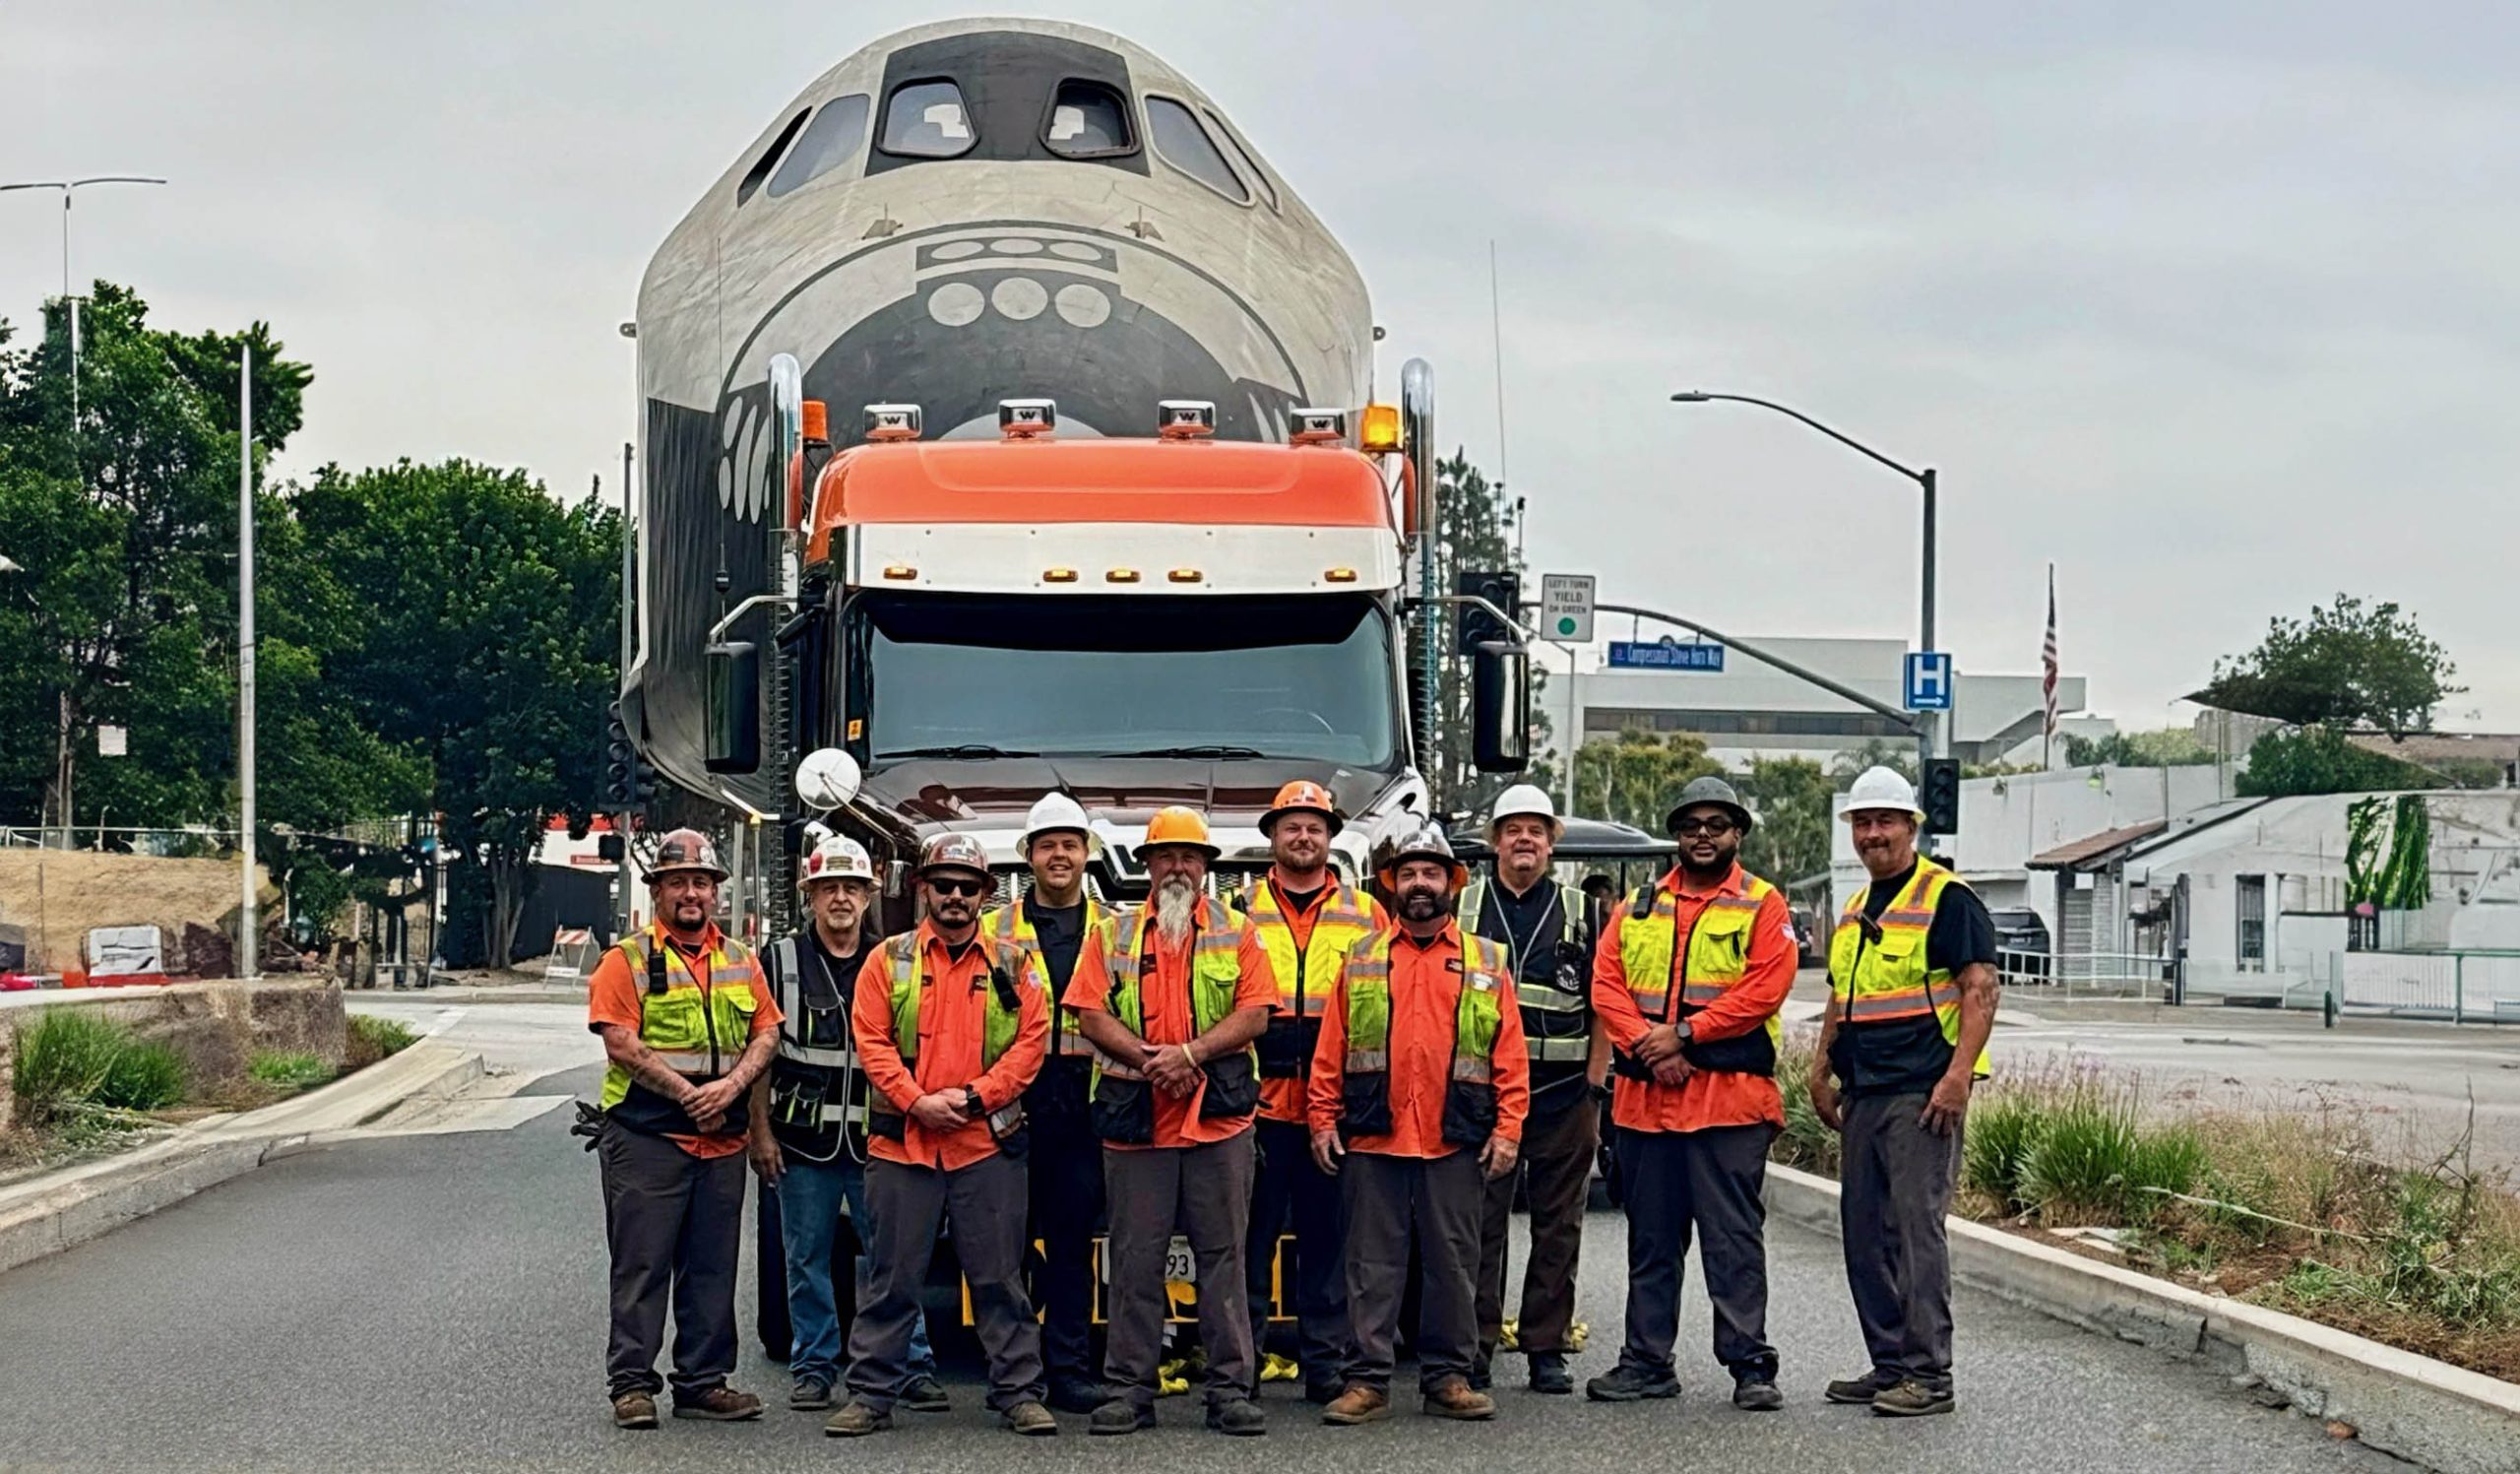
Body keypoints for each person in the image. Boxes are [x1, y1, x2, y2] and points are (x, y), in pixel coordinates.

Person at [824, 834, 1058, 1439]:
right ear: (923, 889)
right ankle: (872, 1394)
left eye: (967, 886)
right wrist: (918, 1102)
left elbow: (1033, 1043)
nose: (955, 897)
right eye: (943, 885)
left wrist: (977, 1098)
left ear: (985, 894)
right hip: (904, 1146)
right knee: (890, 1279)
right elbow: (871, 1043)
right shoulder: (888, 960)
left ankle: (1018, 1393)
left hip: (985, 1148)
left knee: (1001, 1279)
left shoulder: (1014, 964)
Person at [1585, 776, 1796, 1411]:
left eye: (1716, 825)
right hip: (1648, 1109)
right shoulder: (1638, 906)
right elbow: (1606, 983)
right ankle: (1647, 1361)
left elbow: (1764, 989)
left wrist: (1684, 1036)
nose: (1703, 835)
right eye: (1691, 825)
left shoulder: (1764, 905)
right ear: (1675, 834)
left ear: (1737, 834)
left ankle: (1751, 1367)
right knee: (1651, 1243)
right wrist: (1652, 1046)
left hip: (1728, 1107)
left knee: (1732, 1242)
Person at [1309, 824, 1528, 1426]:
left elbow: (1508, 1054)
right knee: (1370, 1264)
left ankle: (1449, 1378)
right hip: (1375, 1138)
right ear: (1392, 885)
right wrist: (1321, 1120)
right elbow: (1332, 1048)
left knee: (1453, 1263)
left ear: (1451, 884)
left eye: (1431, 873)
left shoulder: (1485, 962)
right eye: (1409, 874)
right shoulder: (1362, 958)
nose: (1420, 884)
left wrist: (1508, 1129)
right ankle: (1368, 1381)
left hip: (1455, 1139)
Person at [1069, 805, 1277, 1437]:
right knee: (1135, 1262)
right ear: (1149, 867)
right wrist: (1153, 1061)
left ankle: (1229, 1391)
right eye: (1166, 857)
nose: (1178, 866)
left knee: (1225, 1259)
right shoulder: (1112, 934)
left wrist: (1190, 1054)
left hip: (1218, 1126)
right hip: (1138, 1125)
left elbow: (1256, 1013)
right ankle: (1130, 1390)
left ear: (1206, 867)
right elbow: (1088, 1012)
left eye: (1190, 857)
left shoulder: (1238, 932)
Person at [1808, 765, 1997, 1419]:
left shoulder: (1948, 898)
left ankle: (1928, 1373)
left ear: (1911, 826)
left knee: (1916, 1232)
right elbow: (1843, 995)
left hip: (1921, 1093)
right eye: (1862, 823)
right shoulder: (1859, 908)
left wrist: (1957, 1077)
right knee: (1865, 1233)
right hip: (1864, 1091)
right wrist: (1821, 1066)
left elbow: (1980, 989)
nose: (1872, 833)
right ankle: (1890, 1362)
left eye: (1885, 820)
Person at [587, 829, 781, 1430]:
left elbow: (767, 1035)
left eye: (701, 882)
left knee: (713, 1267)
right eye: (678, 883)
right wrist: (690, 1094)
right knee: (642, 1265)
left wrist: (731, 1091)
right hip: (649, 1139)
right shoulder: (625, 960)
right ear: (658, 892)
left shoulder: (741, 961)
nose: (691, 894)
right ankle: (632, 1386)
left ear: (716, 893)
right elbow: (621, 1041)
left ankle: (701, 1382)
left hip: (721, 1142)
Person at [749, 835, 942, 1415]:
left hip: (877, 1141)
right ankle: (814, 1367)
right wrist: (757, 1131)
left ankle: (910, 1364)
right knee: (804, 1258)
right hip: (801, 1142)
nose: (840, 899)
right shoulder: (779, 959)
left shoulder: (896, 960)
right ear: (810, 896)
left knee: (894, 1259)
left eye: (851, 888)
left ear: (868, 895)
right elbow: (759, 1052)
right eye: (828, 888)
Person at [1233, 780, 1382, 1403]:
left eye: (1314, 826)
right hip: (1256, 1105)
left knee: (1329, 1243)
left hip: (1332, 1107)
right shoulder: (1238, 911)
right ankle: (1241, 1365)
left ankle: (1326, 1365)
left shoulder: (1367, 913)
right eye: (1291, 825)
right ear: (1272, 836)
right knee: (1247, 1242)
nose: (1303, 836)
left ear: (1330, 838)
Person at [1456, 784, 1606, 1395]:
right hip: (1481, 1095)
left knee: (1558, 1223)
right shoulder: (1460, 907)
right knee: (1479, 1224)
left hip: (1564, 1089)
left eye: (1537, 830)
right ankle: (1476, 1348)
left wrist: (1596, 1083)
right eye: (1513, 828)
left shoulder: (1585, 911)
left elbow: (1606, 1001)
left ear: (1552, 843)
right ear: (1495, 842)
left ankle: (1547, 1347)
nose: (1525, 839)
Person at [981, 793, 1111, 1415]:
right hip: (1012, 1104)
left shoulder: (1115, 928)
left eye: (1070, 844)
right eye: (1047, 845)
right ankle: (1014, 1372)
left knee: (1071, 1246)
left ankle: (1069, 1370)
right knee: (1004, 1248)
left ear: (1087, 854)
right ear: (1027, 856)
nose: (1059, 855)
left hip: (1084, 1108)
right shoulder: (991, 931)